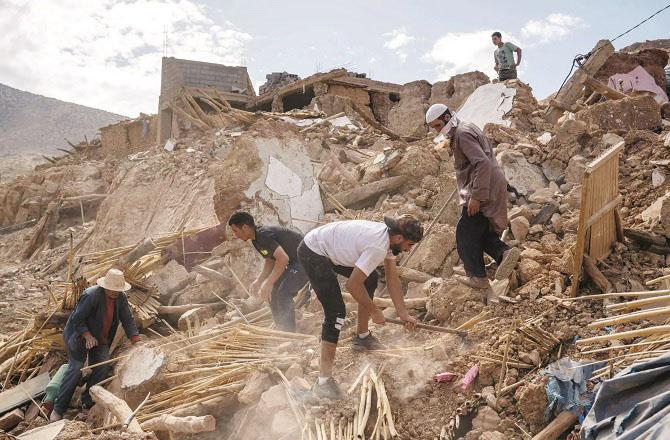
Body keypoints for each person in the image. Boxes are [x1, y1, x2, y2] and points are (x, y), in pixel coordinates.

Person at [297, 215, 421, 399]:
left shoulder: (388, 240)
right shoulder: (378, 246)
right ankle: (323, 383)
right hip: (313, 250)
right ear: (399, 238)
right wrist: (375, 311)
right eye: (409, 245)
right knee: (336, 312)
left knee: (370, 279)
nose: (408, 249)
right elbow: (352, 285)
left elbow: (392, 278)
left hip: (329, 245)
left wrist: (403, 313)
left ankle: (362, 337)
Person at [425, 103, 520, 290]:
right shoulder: (465, 128)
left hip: (483, 186)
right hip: (488, 182)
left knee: (465, 234)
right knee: (480, 230)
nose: (437, 130)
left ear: (446, 118)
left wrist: (476, 196)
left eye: (437, 125)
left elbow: (482, 163)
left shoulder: (462, 133)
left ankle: (478, 277)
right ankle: (504, 253)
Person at [51, 268, 140, 421]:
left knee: (103, 366)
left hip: (101, 337)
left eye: (117, 290)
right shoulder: (91, 295)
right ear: (105, 287)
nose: (114, 292)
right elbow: (76, 319)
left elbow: (128, 319)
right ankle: (58, 409)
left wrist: (135, 339)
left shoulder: (121, 298)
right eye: (112, 290)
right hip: (78, 335)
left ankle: (87, 401)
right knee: (76, 369)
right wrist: (87, 335)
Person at [228, 211, 308, 332]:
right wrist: (259, 281)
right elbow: (270, 260)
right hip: (294, 263)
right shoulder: (256, 239)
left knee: (283, 293)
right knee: (272, 291)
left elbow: (283, 258)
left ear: (245, 227)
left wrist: (268, 283)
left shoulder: (263, 235)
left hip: (306, 261)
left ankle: (289, 332)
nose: (235, 235)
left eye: (235, 231)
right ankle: (280, 327)